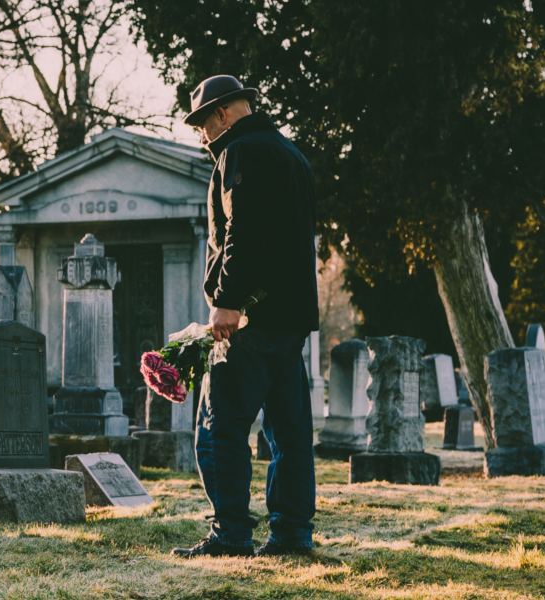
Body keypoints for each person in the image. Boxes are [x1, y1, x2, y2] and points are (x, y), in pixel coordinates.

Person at [171, 75, 319, 558]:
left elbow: (243, 232)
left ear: (220, 114)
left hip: (249, 317)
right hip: (291, 318)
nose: (201, 135)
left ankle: (231, 532)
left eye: (201, 124)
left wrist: (227, 301)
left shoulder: (241, 153)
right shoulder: (292, 155)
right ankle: (292, 533)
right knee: (288, 432)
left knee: (218, 428)